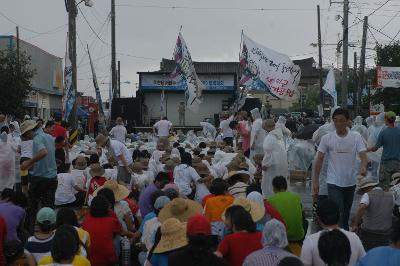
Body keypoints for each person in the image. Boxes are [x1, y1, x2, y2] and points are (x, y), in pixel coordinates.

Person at [313, 108, 368, 230]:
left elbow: (363, 156)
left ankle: (343, 232)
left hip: (350, 181)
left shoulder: (356, 137)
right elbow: (319, 159)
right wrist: (315, 181)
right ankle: (342, 236)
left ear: (348, 121)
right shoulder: (327, 138)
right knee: (339, 210)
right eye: (336, 121)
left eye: (342, 121)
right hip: (333, 182)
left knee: (346, 211)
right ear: (333, 121)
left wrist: (363, 167)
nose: (338, 124)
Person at [301, 199, 365, 266]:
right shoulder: (354, 238)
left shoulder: (310, 241)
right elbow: (365, 261)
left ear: (318, 218)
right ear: (339, 215)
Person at [20, 120, 57, 211]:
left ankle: (31, 224)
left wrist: (28, 162)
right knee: (49, 207)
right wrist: (33, 164)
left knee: (32, 206)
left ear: (29, 131)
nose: (27, 137)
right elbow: (48, 156)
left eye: (25, 134)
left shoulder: (37, 138)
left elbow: (44, 152)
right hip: (52, 177)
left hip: (40, 178)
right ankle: (49, 224)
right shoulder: (49, 137)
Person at [352, 176, 394, 251]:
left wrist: (355, 225)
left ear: (365, 188)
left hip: (369, 232)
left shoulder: (367, 195)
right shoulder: (391, 195)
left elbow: (361, 207)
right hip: (386, 233)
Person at [268, 176, 305, 255]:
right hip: (299, 236)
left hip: (283, 239)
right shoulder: (296, 196)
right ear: (286, 186)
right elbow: (302, 215)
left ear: (274, 188)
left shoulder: (270, 200)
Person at [82, 195, 122, 266]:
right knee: (118, 237)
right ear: (106, 208)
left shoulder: (86, 221)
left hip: (89, 260)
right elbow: (120, 230)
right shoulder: (112, 221)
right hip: (108, 260)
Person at [367, 111, 400, 189]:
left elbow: (375, 148)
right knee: (397, 186)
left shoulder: (383, 132)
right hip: (398, 163)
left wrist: (367, 149)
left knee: (385, 187)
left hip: (386, 164)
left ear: (386, 119)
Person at [261, 119, 289, 198]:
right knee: (280, 182)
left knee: (270, 184)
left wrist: (266, 164)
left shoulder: (270, 136)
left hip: (272, 165)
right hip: (281, 163)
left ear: (266, 127)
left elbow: (268, 152)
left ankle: (271, 200)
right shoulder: (278, 134)